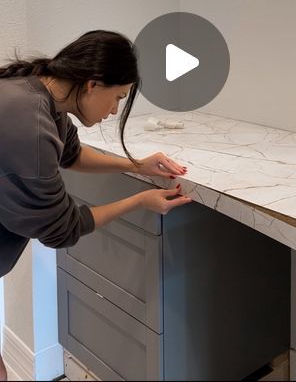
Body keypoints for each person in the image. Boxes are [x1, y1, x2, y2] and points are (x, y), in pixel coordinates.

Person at [0, 30, 191, 382]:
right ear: (92, 84)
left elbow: (70, 154)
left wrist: (135, 165)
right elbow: (63, 229)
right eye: (117, 97)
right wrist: (140, 200)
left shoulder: (38, 93)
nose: (115, 110)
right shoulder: (29, 123)